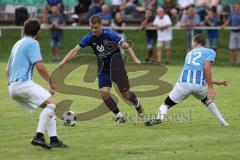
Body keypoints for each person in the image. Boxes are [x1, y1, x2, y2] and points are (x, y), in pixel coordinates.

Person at [58, 15, 144, 123]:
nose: (94, 30)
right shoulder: (89, 37)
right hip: (103, 68)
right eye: (92, 28)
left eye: (96, 27)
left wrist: (135, 59)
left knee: (126, 94)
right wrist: (64, 61)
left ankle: (137, 104)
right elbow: (75, 50)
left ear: (101, 25)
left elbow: (126, 46)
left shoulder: (110, 34)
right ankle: (119, 115)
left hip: (116, 66)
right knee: (104, 93)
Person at [6, 19, 67, 149]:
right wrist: (52, 82)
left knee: (48, 106)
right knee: (53, 104)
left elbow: (7, 70)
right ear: (37, 32)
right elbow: (40, 67)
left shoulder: (17, 44)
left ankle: (54, 139)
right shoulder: (33, 43)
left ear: (24, 29)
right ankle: (38, 136)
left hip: (12, 87)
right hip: (23, 84)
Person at [145, 34, 229, 127]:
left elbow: (203, 70)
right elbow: (205, 71)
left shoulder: (189, 53)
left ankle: (160, 118)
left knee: (166, 104)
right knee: (206, 100)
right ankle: (223, 122)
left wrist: (213, 85)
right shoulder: (210, 52)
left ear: (195, 42)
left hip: (184, 84)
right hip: (198, 86)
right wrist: (212, 86)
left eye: (192, 41)